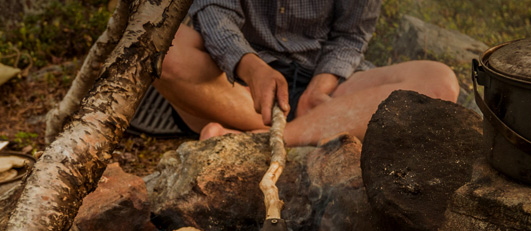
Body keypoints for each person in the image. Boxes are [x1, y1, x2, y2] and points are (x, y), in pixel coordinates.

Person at [154, 0, 460, 147]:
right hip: (237, 89)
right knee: (157, 45)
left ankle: (260, 142)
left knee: (438, 82)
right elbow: (214, 11)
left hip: (324, 85)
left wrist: (320, 86)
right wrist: (250, 67)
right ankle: (317, 131)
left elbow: (351, 37)